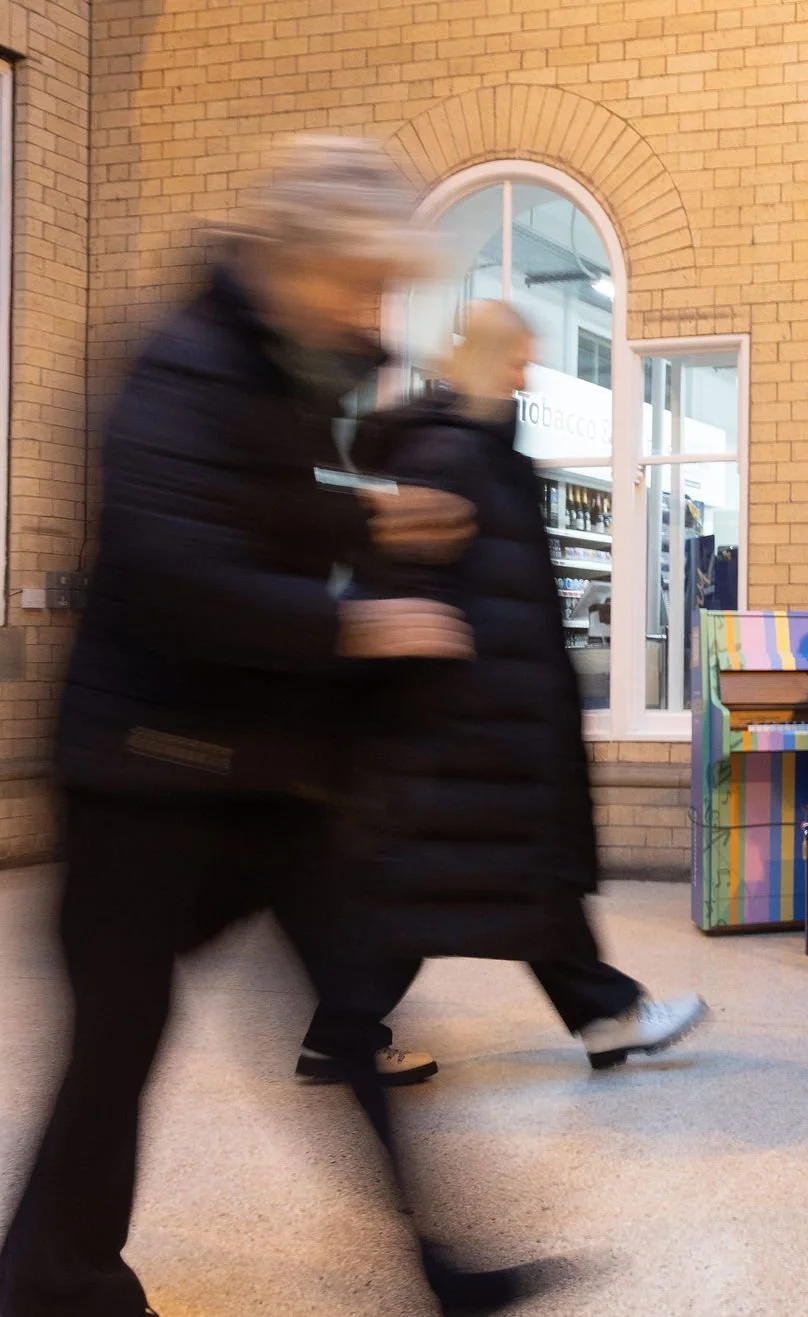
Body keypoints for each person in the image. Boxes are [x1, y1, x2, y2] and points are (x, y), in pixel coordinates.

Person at [0, 137, 548, 1317]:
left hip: (263, 771)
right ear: (297, 263)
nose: (375, 311)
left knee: (352, 1008)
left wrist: (365, 520)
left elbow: (258, 506)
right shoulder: (179, 364)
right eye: (362, 284)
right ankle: (51, 1279)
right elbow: (175, 566)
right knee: (116, 1047)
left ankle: (440, 1265)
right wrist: (358, 627)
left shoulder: (281, 368)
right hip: (142, 777)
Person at [297, 301, 706, 1079]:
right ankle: (606, 1015)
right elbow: (404, 590)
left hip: (485, 723)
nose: (525, 374)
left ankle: (343, 1030)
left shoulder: (478, 450)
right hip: (470, 726)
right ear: (484, 357)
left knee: (457, 888)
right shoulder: (451, 454)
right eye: (516, 358)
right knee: (505, 883)